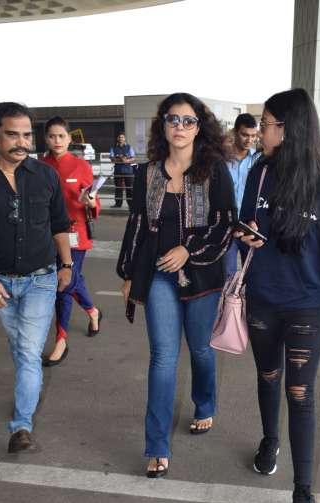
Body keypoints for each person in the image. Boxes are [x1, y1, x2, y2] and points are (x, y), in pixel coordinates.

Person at [235, 89, 320, 503]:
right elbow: (248, 221)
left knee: (300, 394)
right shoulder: (260, 173)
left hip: (306, 306)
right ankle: (270, 440)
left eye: (265, 123)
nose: (259, 131)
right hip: (262, 298)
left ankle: (303, 492)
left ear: (287, 129)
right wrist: (244, 232)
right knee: (267, 377)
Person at [117, 92, 236, 478]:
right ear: (162, 126)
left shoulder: (214, 171)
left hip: (202, 277)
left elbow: (224, 225)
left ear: (200, 128)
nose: (180, 127)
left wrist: (188, 250)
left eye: (188, 120)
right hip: (158, 276)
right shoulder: (147, 172)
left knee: (201, 350)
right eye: (173, 119)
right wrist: (129, 274)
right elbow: (136, 224)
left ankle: (204, 403)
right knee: (164, 357)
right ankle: (156, 445)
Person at [0, 102, 72, 453]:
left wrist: (67, 265)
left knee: (28, 351)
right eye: (12, 134)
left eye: (27, 134)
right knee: (20, 349)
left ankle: (21, 426)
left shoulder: (45, 175)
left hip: (41, 278)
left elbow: (60, 224)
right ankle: (25, 400)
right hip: (1, 283)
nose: (21, 141)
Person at [41, 116, 102, 366]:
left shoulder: (80, 166)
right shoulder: (39, 166)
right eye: (52, 136)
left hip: (75, 235)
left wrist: (91, 203)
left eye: (61, 136)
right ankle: (93, 311)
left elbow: (94, 200)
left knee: (64, 284)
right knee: (74, 280)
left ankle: (61, 339)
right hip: (46, 236)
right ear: (46, 138)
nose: (57, 141)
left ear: (69, 138)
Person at [225, 113, 258, 277]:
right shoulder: (222, 160)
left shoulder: (259, 160)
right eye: (245, 135)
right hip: (226, 225)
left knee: (251, 274)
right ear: (235, 132)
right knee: (227, 276)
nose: (249, 140)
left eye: (253, 136)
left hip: (250, 225)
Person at [110, 132, 136, 209]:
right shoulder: (113, 148)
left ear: (124, 139)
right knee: (118, 188)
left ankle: (131, 205)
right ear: (117, 139)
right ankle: (118, 204)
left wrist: (127, 161)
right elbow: (111, 158)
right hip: (118, 170)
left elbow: (133, 157)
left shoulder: (129, 147)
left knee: (129, 188)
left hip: (128, 171)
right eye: (119, 137)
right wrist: (119, 159)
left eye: (122, 137)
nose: (121, 139)